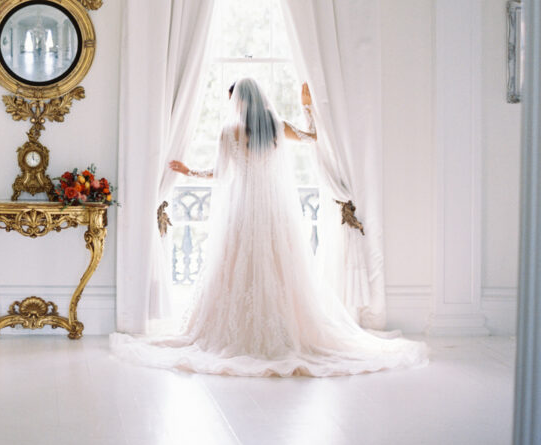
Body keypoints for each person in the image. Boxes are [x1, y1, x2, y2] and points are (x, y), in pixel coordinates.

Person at [111, 78, 427, 377]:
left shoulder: (228, 132)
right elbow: (311, 137)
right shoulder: (277, 126)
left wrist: (188, 171)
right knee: (281, 269)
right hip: (275, 211)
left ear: (239, 101)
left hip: (243, 209)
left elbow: (219, 174)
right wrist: (307, 108)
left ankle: (242, 333)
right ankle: (283, 332)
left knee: (238, 267)